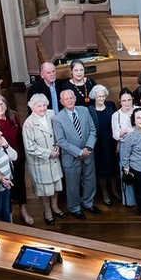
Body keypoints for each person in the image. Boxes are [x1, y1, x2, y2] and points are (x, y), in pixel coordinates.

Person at [52, 89, 100, 220]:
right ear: (61, 102)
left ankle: (88, 203)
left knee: (90, 180)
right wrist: (79, 152)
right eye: (66, 99)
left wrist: (88, 148)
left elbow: (92, 130)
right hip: (71, 157)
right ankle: (75, 208)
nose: (69, 101)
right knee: (73, 185)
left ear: (75, 98)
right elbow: (61, 141)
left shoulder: (84, 111)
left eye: (71, 98)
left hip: (88, 152)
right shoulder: (57, 119)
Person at [23, 94, 66, 224]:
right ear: (32, 107)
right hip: (40, 162)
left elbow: (59, 131)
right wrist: (48, 153)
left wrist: (58, 145)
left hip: (55, 158)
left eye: (44, 105)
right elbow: (30, 147)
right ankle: (47, 211)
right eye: (39, 106)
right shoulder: (28, 124)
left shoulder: (51, 114)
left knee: (55, 185)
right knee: (44, 189)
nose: (42, 108)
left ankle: (55, 206)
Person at [0, 95, 32, 225]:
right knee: (7, 186)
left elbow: (20, 135)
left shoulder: (13, 116)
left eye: (2, 103)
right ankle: (9, 215)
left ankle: (23, 209)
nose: (0, 107)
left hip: (18, 156)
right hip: (4, 162)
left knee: (20, 184)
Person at [88, 85, 118, 207]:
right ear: (94, 97)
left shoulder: (110, 106)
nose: (101, 98)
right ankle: (105, 192)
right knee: (102, 170)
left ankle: (115, 190)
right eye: (99, 96)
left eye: (103, 96)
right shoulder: (90, 110)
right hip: (98, 144)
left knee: (113, 168)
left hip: (111, 142)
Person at [112, 88, 138, 207]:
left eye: (129, 100)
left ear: (132, 99)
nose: (127, 103)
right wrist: (125, 131)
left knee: (140, 173)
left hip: (139, 146)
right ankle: (129, 201)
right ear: (120, 101)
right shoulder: (116, 115)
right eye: (124, 100)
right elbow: (115, 135)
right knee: (126, 173)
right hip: (124, 146)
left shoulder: (139, 110)